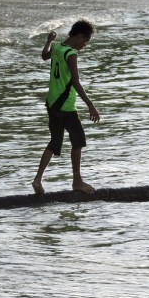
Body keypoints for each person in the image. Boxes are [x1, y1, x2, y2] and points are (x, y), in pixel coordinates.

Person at [32, 20, 100, 196]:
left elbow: (44, 55)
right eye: (85, 41)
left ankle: (38, 179)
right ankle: (77, 181)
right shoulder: (71, 54)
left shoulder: (58, 48)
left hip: (52, 103)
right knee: (78, 141)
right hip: (66, 106)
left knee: (55, 142)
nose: (84, 46)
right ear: (79, 36)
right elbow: (76, 83)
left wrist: (49, 40)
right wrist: (90, 105)